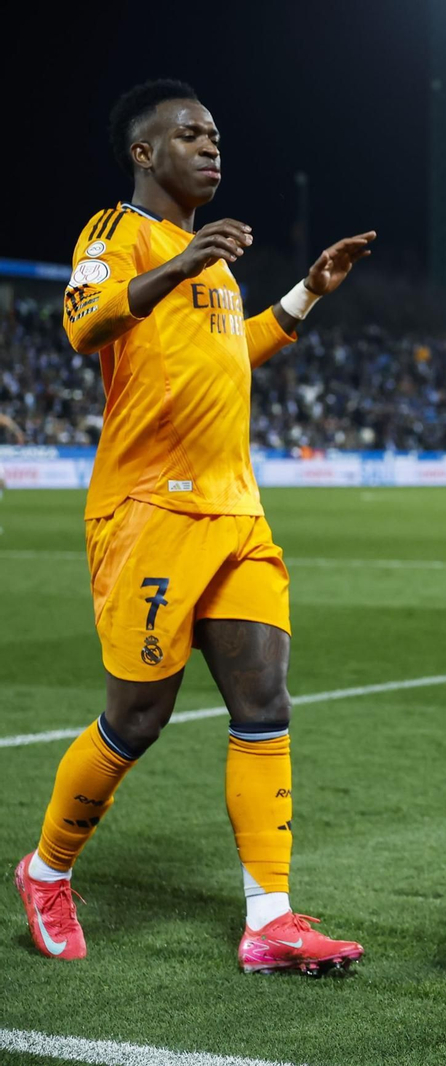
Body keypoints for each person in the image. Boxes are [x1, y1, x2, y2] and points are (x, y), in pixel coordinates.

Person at [15, 79, 373, 973]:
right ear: (145, 153)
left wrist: (304, 297)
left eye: (216, 135)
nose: (212, 147)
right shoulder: (114, 231)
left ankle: (271, 919)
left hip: (236, 512)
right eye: (190, 135)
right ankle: (46, 869)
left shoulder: (213, 263)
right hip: (148, 508)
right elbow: (82, 322)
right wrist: (175, 264)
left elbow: (229, 355)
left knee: (264, 704)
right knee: (137, 717)